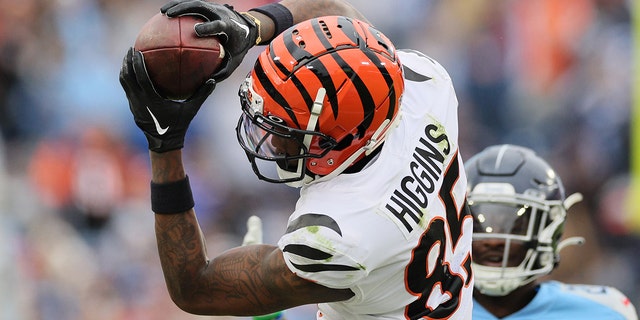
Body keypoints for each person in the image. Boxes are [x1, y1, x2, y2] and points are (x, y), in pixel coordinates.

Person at [119, 0, 473, 318]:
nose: (271, 140)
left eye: (287, 130)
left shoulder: (342, 233)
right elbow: (342, 22)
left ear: (343, 140)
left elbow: (194, 287)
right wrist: (251, 25)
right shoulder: (425, 86)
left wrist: (164, 144)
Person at [465, 144, 638, 320]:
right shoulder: (437, 307)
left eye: (514, 226)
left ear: (549, 230)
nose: (494, 241)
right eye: (478, 225)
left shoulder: (604, 312)